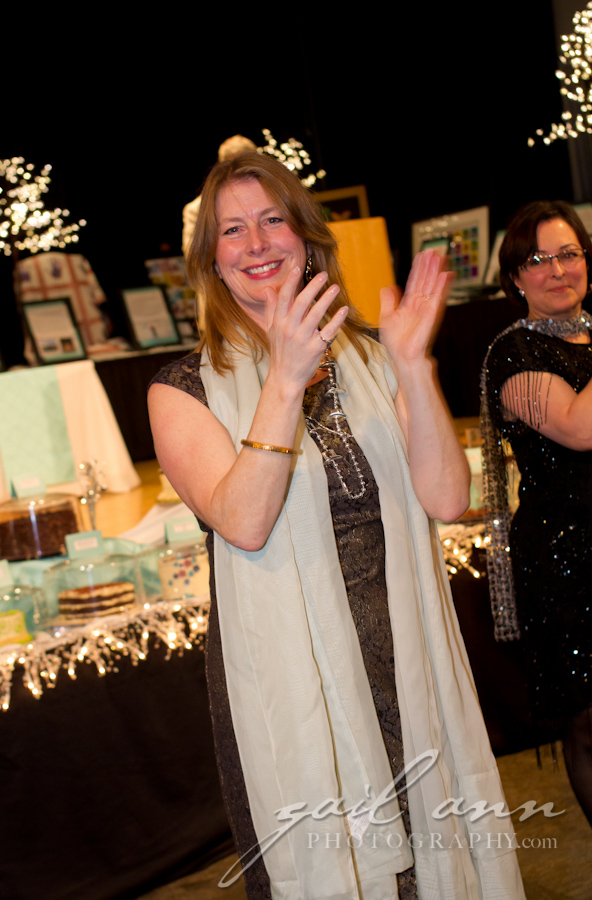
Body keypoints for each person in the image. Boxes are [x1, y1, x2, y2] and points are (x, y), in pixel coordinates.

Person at [149, 153, 524, 900]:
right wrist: (285, 378)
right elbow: (244, 522)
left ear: (307, 237)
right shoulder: (181, 389)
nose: (257, 243)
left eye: (272, 220)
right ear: (212, 261)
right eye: (232, 230)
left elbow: (449, 498)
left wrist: (413, 365)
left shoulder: (374, 357)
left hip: (405, 661)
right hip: (295, 685)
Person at [481, 199, 592, 827]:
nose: (557, 270)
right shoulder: (513, 354)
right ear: (514, 278)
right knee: (590, 722)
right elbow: (578, 427)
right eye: (538, 259)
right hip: (568, 560)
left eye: (569, 254)